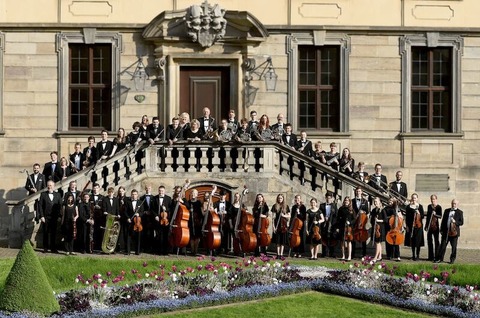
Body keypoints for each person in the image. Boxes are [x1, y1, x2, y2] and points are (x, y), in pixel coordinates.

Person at [436, 199, 464, 264]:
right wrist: (441, 229)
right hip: (446, 231)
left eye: (455, 204)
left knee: (453, 247)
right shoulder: (446, 210)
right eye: (452, 203)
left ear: (457, 204)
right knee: (442, 246)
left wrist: (455, 222)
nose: (453, 205)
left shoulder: (460, 212)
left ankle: (452, 259)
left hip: (454, 233)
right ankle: (440, 258)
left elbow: (461, 222)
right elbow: (443, 221)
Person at [38, 180, 62, 253]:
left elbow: (60, 206)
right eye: (48, 185)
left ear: (54, 186)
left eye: (51, 185)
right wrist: (42, 216)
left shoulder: (58, 195)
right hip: (45, 217)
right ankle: (45, 248)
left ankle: (53, 248)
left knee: (53, 233)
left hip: (54, 217)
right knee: (45, 232)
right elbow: (40, 206)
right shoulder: (43, 194)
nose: (49, 187)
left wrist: (59, 216)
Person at [153, 185, 172, 255]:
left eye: (162, 191)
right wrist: (155, 216)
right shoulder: (155, 198)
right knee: (158, 235)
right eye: (160, 191)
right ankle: (159, 251)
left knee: (166, 235)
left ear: (164, 191)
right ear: (158, 191)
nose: (161, 192)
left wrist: (166, 210)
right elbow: (152, 209)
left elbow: (171, 209)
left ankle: (165, 251)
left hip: (165, 220)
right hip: (158, 220)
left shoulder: (168, 198)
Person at [404, 193, 425, 261]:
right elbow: (406, 217)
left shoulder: (420, 206)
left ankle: (418, 255)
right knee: (412, 241)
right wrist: (406, 225)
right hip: (411, 225)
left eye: (415, 198)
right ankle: (413, 255)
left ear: (417, 199)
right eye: (413, 198)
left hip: (418, 226)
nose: (414, 199)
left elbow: (422, 216)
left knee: (418, 241)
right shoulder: (408, 207)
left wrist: (418, 213)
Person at [124, 189, 144, 255]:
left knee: (138, 236)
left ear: (137, 195)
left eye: (135, 194)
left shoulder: (140, 202)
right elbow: (125, 211)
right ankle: (128, 251)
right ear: (131, 195)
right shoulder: (127, 202)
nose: (134, 195)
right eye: (133, 194)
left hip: (137, 221)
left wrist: (139, 214)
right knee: (128, 236)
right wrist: (128, 218)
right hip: (130, 221)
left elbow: (142, 212)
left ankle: (137, 251)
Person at [351, 187, 369, 258]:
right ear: (355, 192)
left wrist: (363, 211)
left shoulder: (365, 201)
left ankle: (364, 254)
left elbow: (367, 211)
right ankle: (352, 254)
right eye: (357, 191)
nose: (358, 192)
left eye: (359, 191)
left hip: (362, 221)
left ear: (361, 192)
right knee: (353, 237)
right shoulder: (352, 201)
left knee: (363, 238)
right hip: (355, 220)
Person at [271, 194, 290, 258]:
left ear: (283, 199)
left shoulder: (286, 206)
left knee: (282, 241)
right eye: (279, 198)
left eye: (281, 198)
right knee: (278, 241)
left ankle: (281, 254)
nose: (280, 199)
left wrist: (284, 216)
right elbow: (273, 217)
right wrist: (273, 226)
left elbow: (289, 215)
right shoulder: (275, 206)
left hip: (284, 226)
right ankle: (278, 254)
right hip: (277, 225)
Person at [320, 192, 338, 258]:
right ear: (325, 198)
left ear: (332, 198)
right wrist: (324, 217)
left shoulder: (334, 205)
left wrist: (334, 224)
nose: (328, 199)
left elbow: (336, 215)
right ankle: (324, 253)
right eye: (327, 198)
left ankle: (332, 253)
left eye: (330, 198)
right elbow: (320, 214)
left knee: (332, 238)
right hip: (324, 223)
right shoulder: (321, 205)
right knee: (324, 238)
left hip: (332, 224)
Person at [425, 194, 442, 262]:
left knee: (436, 242)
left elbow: (440, 216)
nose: (433, 200)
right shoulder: (429, 206)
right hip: (429, 226)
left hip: (435, 226)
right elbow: (428, 217)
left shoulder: (438, 207)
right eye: (432, 199)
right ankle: (430, 256)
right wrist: (426, 226)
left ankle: (436, 256)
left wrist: (435, 214)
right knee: (429, 242)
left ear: (436, 199)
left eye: (434, 199)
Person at [102, 187, 120, 252]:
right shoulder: (105, 199)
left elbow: (117, 208)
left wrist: (118, 214)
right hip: (108, 218)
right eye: (109, 192)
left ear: (113, 193)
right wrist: (105, 212)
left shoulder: (116, 199)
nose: (111, 194)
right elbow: (104, 208)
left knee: (113, 234)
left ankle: (113, 249)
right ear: (108, 193)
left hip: (114, 218)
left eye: (112, 192)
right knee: (107, 233)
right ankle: (105, 247)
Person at [370, 197, 387, 262]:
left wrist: (378, 220)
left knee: (377, 243)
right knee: (378, 243)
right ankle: (380, 256)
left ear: (380, 202)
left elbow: (386, 220)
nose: (375, 203)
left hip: (380, 228)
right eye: (374, 201)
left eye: (376, 201)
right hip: (375, 228)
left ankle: (375, 257)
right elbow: (372, 220)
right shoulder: (374, 210)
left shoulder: (382, 210)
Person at [89, 183, 104, 251]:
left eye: (97, 188)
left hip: (100, 218)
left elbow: (104, 207)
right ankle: (92, 247)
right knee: (92, 232)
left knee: (100, 232)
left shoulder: (102, 197)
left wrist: (100, 207)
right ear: (92, 189)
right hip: (92, 217)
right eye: (94, 188)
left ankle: (99, 247)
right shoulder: (89, 197)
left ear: (99, 188)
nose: (95, 189)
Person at [140, 185, 155, 253]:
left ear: (151, 189)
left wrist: (151, 212)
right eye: (146, 188)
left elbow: (155, 207)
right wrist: (144, 212)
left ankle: (151, 248)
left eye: (149, 188)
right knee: (144, 233)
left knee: (151, 233)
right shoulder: (141, 198)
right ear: (145, 189)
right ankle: (144, 248)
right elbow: (140, 207)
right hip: (144, 218)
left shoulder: (154, 198)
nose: (148, 189)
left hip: (151, 218)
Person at [188, 189, 203, 255]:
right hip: (190, 220)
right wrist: (189, 210)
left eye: (194, 193)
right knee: (191, 236)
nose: (193, 194)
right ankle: (192, 250)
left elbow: (201, 212)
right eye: (192, 193)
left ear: (197, 195)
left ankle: (196, 250)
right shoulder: (188, 202)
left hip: (197, 221)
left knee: (197, 236)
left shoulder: (199, 202)